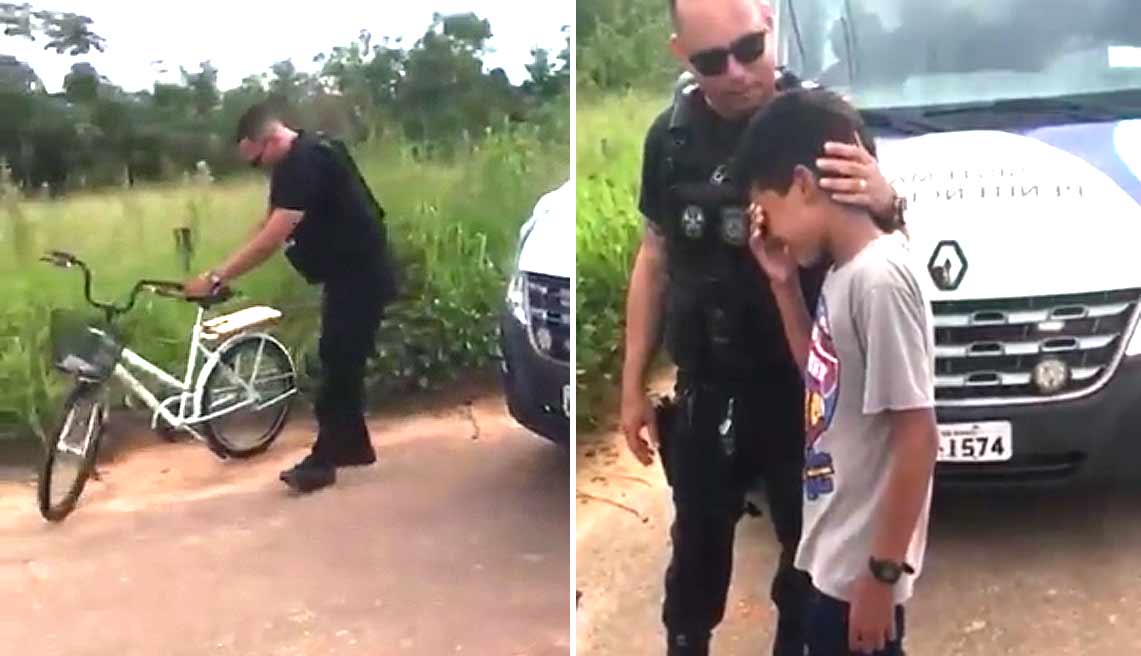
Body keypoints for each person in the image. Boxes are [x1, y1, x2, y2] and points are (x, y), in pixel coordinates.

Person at [620, 1, 906, 654]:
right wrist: (631, 384)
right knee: (695, 542)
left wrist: (887, 198)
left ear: (769, 29)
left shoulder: (822, 126)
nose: (736, 73)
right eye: (711, 60)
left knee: (806, 551)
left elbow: (882, 242)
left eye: (748, 49)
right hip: (707, 380)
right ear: (679, 56)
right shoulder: (670, 139)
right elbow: (654, 255)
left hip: (802, 384)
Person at [734, 88, 938, 656]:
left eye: (768, 213)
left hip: (860, 579)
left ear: (803, 184)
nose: (771, 233)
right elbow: (820, 381)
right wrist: (781, 284)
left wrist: (881, 575)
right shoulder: (844, 274)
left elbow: (918, 436)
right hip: (837, 564)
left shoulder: (878, 280)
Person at [183, 101, 399, 494]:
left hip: (362, 273)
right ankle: (353, 446)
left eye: (255, 160)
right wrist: (219, 270)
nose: (257, 168)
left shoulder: (307, 163)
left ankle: (323, 461)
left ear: (268, 140)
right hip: (346, 273)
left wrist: (217, 276)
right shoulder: (295, 160)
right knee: (340, 357)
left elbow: (274, 236)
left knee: (338, 360)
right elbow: (267, 221)